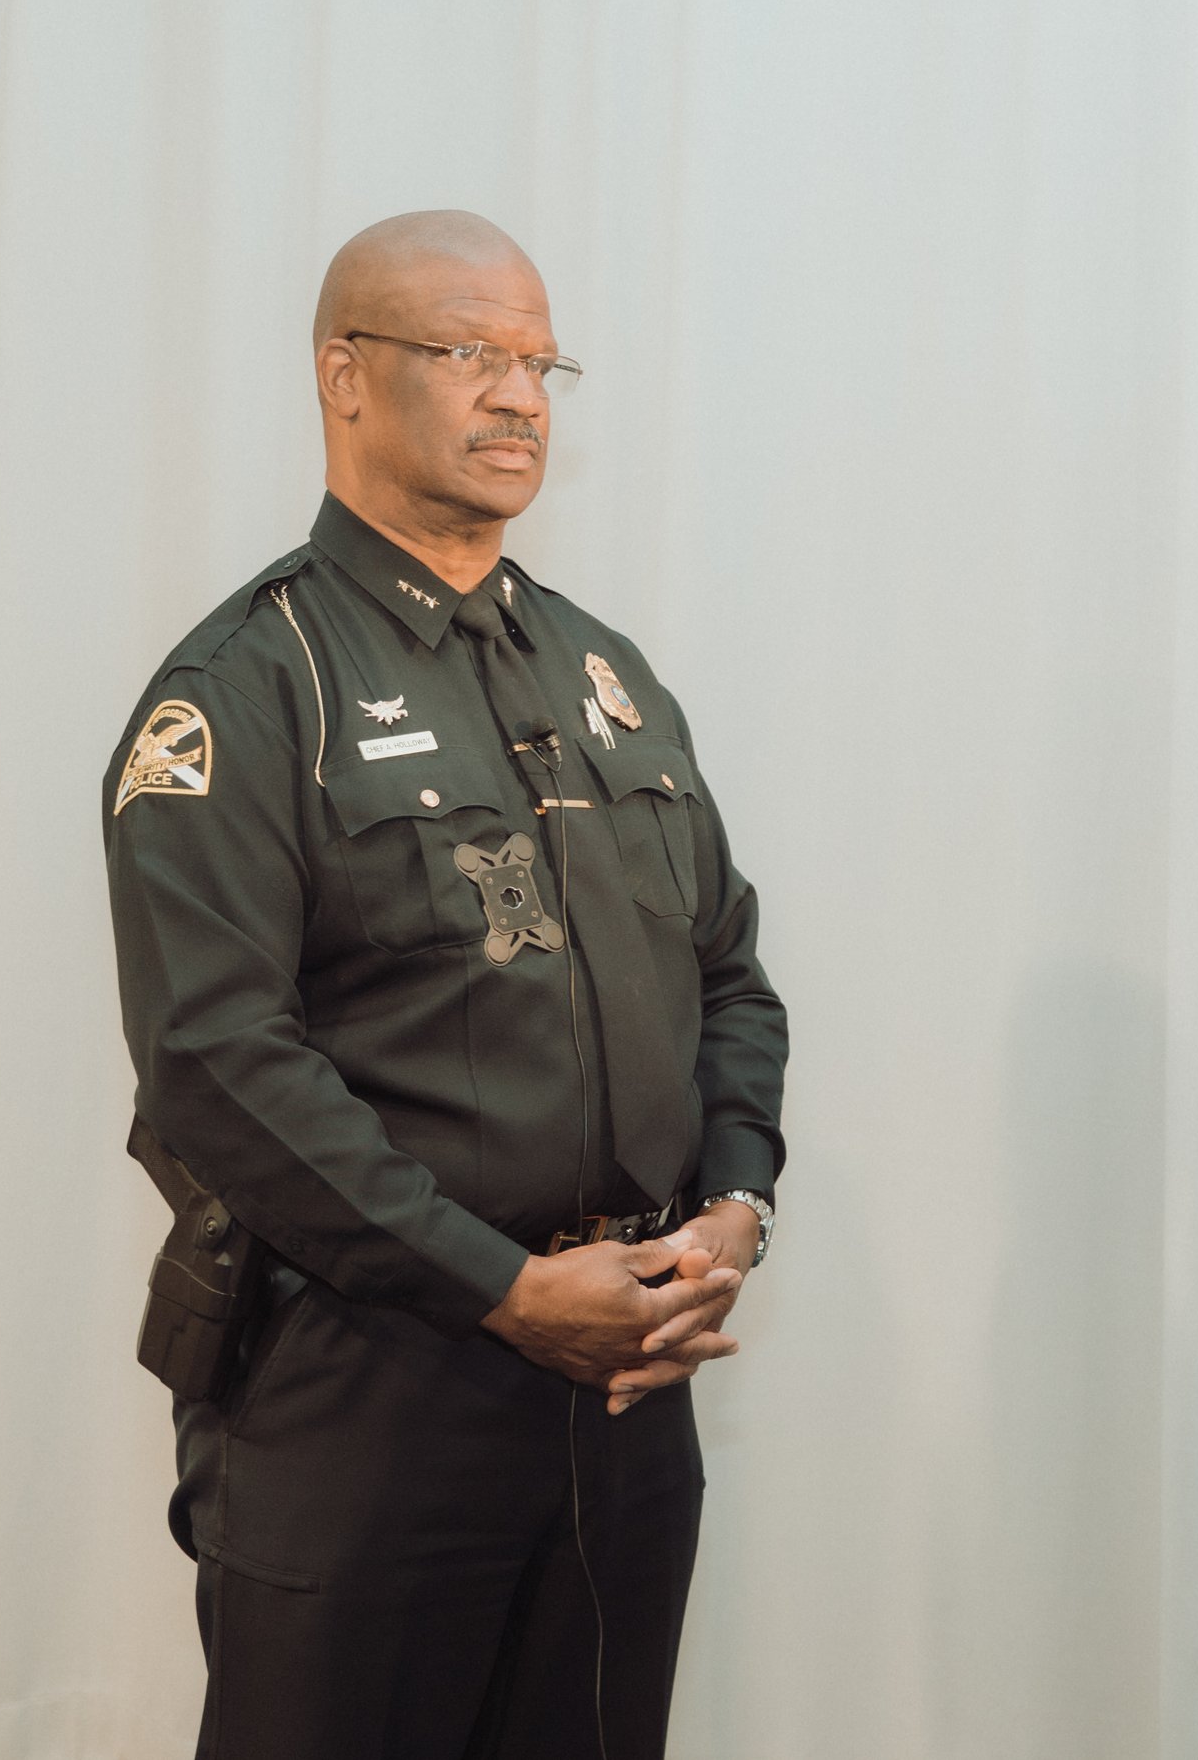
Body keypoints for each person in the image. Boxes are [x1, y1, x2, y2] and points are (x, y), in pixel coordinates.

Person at [103, 210, 786, 1759]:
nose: (520, 396)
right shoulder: (250, 688)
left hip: (624, 1391)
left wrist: (735, 1209)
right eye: (473, 352)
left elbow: (730, 980)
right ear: (345, 375)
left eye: (543, 363)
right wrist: (503, 1290)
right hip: (373, 1390)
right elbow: (215, 1063)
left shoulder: (604, 677)